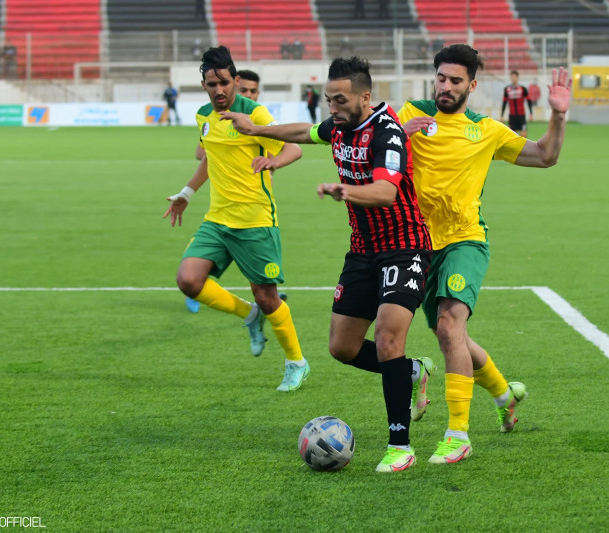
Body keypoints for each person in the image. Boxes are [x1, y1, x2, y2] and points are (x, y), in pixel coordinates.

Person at [221, 57, 435, 473]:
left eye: (340, 99)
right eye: (328, 99)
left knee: (390, 340)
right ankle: (411, 372)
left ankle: (400, 446)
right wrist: (258, 129)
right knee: (342, 347)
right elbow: (305, 131)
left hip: (405, 247)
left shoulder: (387, 132)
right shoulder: (339, 125)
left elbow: (386, 192)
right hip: (362, 249)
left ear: (365, 97)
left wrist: (344, 191)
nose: (332, 107)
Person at [398, 44, 571, 464]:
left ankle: (458, 434)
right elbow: (362, 150)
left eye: (455, 80)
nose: (445, 86)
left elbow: (545, 156)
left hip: (465, 240)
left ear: (472, 85)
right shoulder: (407, 114)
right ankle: (503, 393)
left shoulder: (486, 129)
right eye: (440, 78)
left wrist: (559, 115)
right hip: (419, 244)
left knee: (449, 325)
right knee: (448, 335)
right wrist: (398, 138)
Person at [163, 46, 309, 392]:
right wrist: (186, 193)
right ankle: (249, 316)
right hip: (218, 219)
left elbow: (294, 147)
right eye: (212, 84)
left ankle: (296, 362)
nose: (219, 90)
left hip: (255, 219)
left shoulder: (254, 113)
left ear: (236, 81)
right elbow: (210, 158)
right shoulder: (203, 116)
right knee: (189, 280)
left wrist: (274, 161)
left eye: (225, 83)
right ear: (204, 85)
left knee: (267, 296)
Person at [189, 69, 266, 313]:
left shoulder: (255, 118)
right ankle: (199, 289)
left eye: (254, 91)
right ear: (236, 86)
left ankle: (263, 301)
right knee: (194, 269)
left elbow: (287, 148)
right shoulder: (212, 115)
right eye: (245, 90)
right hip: (223, 204)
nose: (249, 95)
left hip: (254, 206)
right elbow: (202, 153)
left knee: (260, 279)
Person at [501, 70, 533, 137]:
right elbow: (504, 103)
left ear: (518, 78)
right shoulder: (507, 89)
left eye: (515, 77)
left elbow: (529, 101)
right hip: (512, 117)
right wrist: (502, 115)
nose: (513, 79)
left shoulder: (523, 89)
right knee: (513, 137)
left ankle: (524, 147)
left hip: (521, 117)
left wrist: (531, 113)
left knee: (524, 136)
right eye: (512, 77)